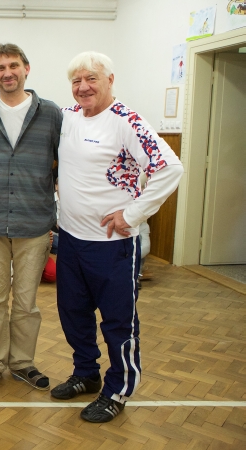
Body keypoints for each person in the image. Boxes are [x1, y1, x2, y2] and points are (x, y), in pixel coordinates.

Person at [51, 51, 183, 423]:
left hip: (114, 246)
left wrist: (132, 214)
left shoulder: (128, 121)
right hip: (71, 239)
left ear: (110, 80)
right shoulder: (68, 117)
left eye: (91, 78)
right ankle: (86, 373)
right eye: (76, 80)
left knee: (118, 322)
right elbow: (28, 109)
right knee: (73, 314)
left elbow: (170, 168)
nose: (83, 87)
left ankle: (118, 390)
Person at [0, 43, 62, 394]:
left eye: (13, 66)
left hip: (34, 222)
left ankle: (22, 362)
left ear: (26, 69)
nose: (7, 73)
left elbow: (64, 161)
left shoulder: (51, 114)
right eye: (0, 68)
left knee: (25, 302)